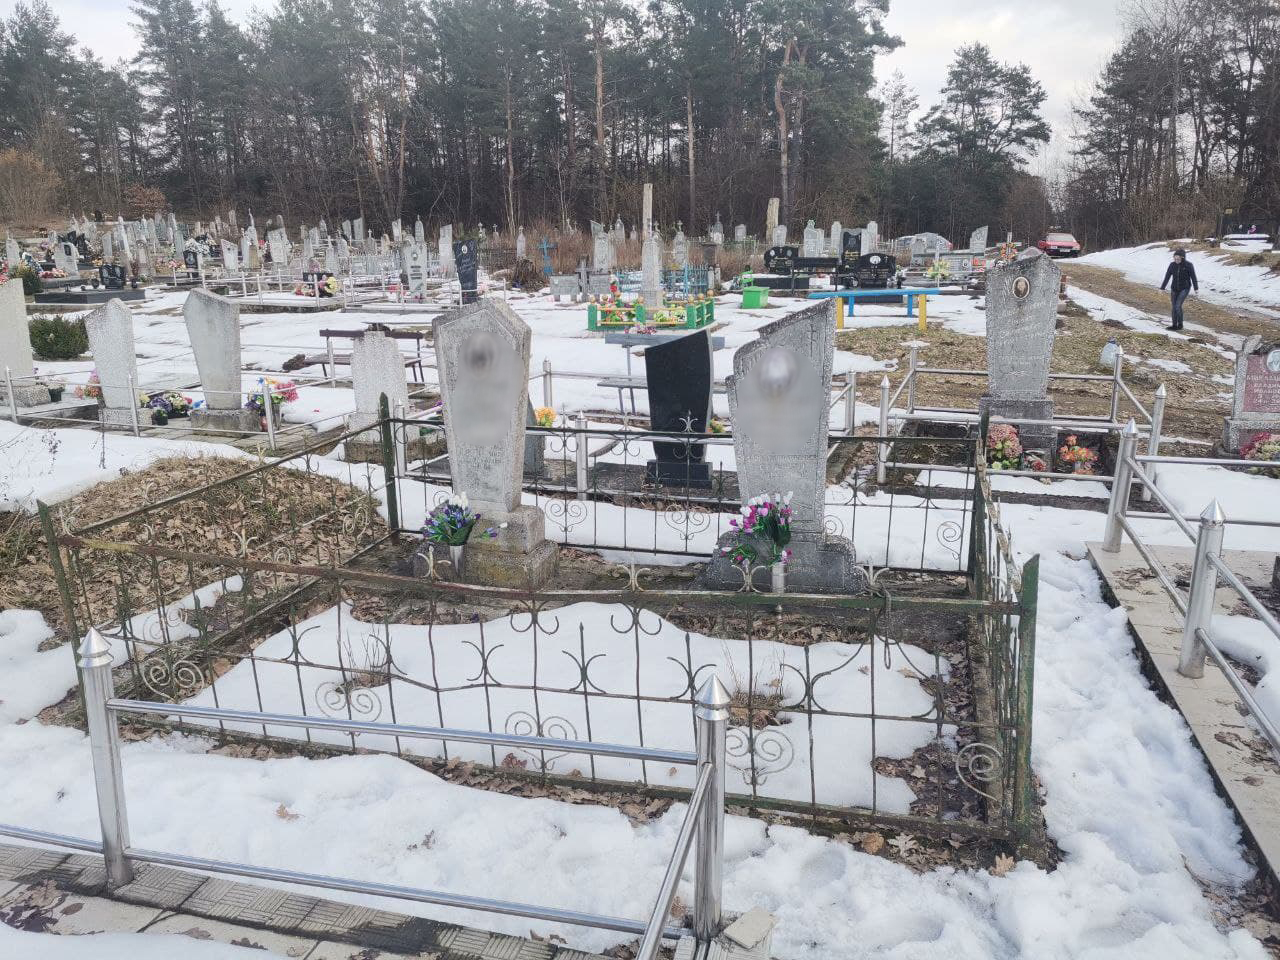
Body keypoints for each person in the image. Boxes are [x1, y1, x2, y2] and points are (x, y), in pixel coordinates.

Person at [1159, 248, 1198, 330]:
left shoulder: (1188, 265)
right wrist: (1162, 288)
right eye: (1175, 258)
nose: (1176, 260)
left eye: (1178, 259)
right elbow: (1167, 276)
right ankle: (1174, 325)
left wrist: (1196, 288)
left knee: (1177, 306)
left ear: (1182, 258)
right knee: (1174, 307)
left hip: (1185, 288)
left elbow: (1193, 277)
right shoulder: (1172, 265)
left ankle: (1180, 325)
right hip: (1174, 288)